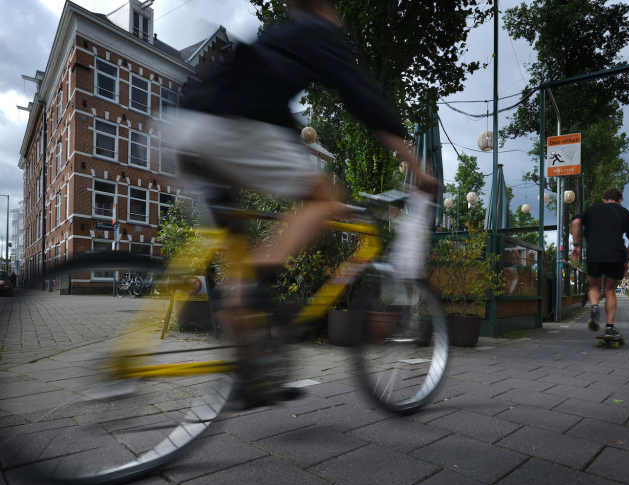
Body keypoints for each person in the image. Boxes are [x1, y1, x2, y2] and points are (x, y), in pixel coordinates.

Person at [171, 0, 434, 407]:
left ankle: (255, 377)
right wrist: (416, 166)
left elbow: (275, 112)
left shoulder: (278, 40)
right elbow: (363, 96)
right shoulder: (320, 32)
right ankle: (255, 284)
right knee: (326, 199)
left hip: (188, 127)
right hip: (229, 127)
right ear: (324, 7)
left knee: (239, 265)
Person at [571, 187, 629, 336]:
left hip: (594, 254)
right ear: (620, 199)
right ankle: (609, 327)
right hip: (615, 255)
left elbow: (576, 222)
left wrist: (576, 246)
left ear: (603, 199)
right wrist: (626, 261)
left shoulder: (592, 210)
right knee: (610, 290)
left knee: (594, 287)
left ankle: (595, 306)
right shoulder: (625, 213)